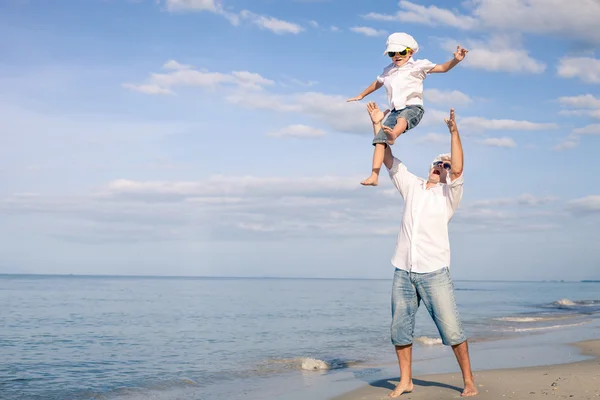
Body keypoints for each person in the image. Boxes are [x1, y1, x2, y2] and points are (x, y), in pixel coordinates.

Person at [364, 101, 478, 398]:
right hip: (403, 270)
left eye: (445, 165)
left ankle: (468, 381)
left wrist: (454, 131)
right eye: (437, 163)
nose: (440, 167)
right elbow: (387, 156)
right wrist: (378, 122)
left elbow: (459, 166)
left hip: (434, 272)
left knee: (452, 331)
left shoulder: (448, 196)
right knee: (399, 330)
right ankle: (406, 381)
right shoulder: (412, 185)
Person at [347, 32, 468, 187]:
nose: (396, 56)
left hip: (413, 108)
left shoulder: (419, 65)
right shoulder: (388, 70)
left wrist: (456, 60)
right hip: (395, 110)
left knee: (402, 120)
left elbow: (443, 68)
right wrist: (361, 95)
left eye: (401, 52)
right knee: (379, 141)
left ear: (410, 52)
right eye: (392, 53)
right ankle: (374, 175)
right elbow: (377, 83)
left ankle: (393, 135)